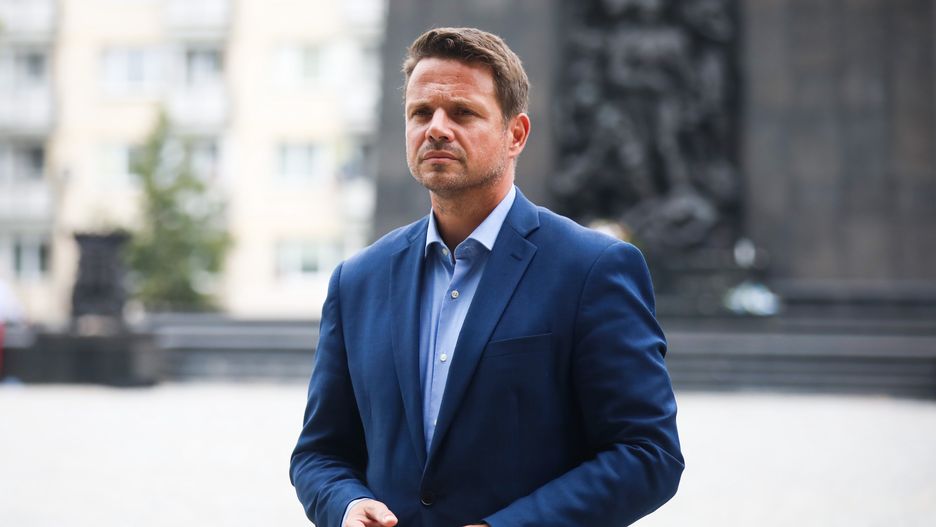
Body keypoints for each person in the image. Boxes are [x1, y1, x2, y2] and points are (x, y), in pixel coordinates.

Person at [290, 27, 683, 527]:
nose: (436, 128)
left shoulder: (594, 269)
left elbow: (648, 454)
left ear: (515, 134)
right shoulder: (358, 280)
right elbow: (319, 454)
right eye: (420, 113)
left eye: (463, 112)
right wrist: (345, 506)